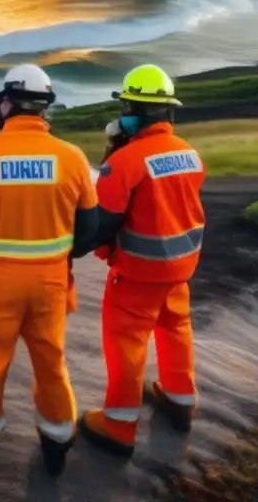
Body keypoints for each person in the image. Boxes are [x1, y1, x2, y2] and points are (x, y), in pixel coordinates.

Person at [0, 64, 100, 481]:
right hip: (50, 285)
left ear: (6, 105)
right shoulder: (73, 158)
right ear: (44, 110)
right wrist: (58, 256)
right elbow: (89, 232)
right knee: (52, 365)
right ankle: (57, 444)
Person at [78, 63, 206, 459]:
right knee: (175, 329)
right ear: (168, 111)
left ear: (132, 111)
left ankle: (118, 425)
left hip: (136, 274)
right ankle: (180, 399)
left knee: (127, 344)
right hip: (180, 269)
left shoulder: (125, 162)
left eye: (125, 108)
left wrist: (71, 248)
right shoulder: (190, 154)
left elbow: (103, 223)